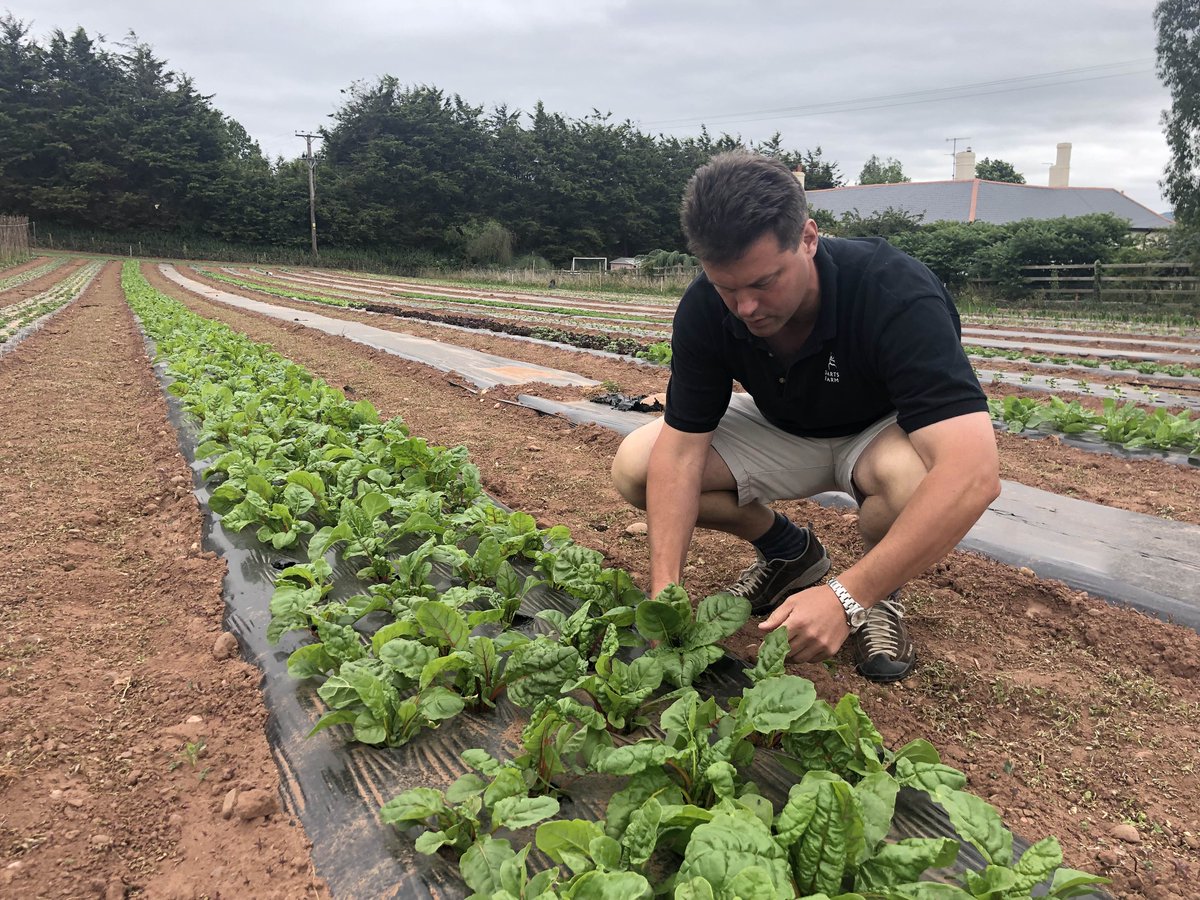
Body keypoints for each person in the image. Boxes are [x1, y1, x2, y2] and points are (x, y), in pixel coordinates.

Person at [611, 151, 1000, 682]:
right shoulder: (705, 307)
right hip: (782, 427)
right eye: (728, 288)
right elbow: (680, 455)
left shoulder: (894, 292)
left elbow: (974, 473)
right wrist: (665, 593)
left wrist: (847, 596)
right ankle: (788, 551)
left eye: (764, 282)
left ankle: (879, 597)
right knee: (639, 461)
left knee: (919, 481)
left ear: (809, 239)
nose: (745, 308)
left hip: (875, 433)